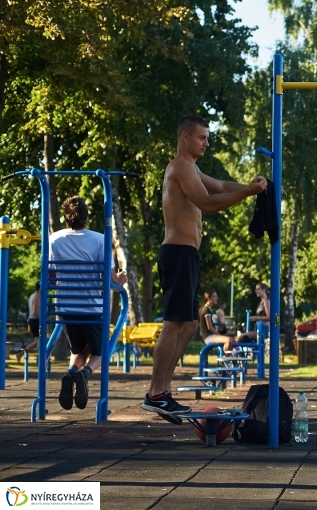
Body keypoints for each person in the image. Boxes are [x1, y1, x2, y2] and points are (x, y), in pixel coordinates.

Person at [142, 115, 267, 423]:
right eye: (202, 137)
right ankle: (156, 394)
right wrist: (249, 194)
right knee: (175, 324)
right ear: (185, 137)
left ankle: (162, 393)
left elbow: (221, 185)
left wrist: (260, 188)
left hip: (188, 254)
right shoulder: (181, 167)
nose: (207, 143)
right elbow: (207, 202)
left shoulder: (192, 169)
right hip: (177, 253)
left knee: (188, 325)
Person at [51, 197, 127, 411]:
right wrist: (120, 280)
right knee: (102, 352)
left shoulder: (54, 239)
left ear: (66, 216)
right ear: (86, 216)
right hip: (91, 308)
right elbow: (111, 279)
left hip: (65, 308)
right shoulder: (100, 240)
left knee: (79, 350)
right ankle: (84, 373)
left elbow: (50, 277)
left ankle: (71, 373)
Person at [15, 282, 40, 362]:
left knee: (36, 342)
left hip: (32, 319)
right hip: (35, 319)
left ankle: (21, 353)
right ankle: (39, 358)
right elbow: (35, 310)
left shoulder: (32, 295)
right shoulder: (37, 296)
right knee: (39, 341)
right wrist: (41, 318)